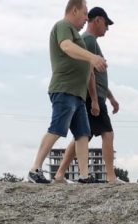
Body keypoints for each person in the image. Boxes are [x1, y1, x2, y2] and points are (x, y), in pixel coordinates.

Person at [28, 0, 107, 184]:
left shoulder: (76, 35)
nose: (86, 18)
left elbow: (87, 70)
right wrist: (92, 57)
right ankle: (35, 169)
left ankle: (84, 176)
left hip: (77, 94)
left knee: (83, 134)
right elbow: (66, 46)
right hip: (64, 89)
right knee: (57, 129)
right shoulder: (63, 26)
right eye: (85, 13)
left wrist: (94, 97)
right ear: (74, 10)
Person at [53, 7, 120, 183]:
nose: (107, 28)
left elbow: (97, 76)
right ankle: (111, 177)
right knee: (107, 133)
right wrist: (95, 100)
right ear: (98, 20)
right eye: (106, 24)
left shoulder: (90, 41)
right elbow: (89, 73)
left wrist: (111, 98)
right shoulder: (88, 40)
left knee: (82, 136)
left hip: (94, 95)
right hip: (92, 96)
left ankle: (60, 173)